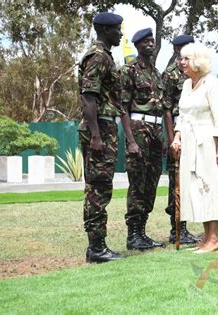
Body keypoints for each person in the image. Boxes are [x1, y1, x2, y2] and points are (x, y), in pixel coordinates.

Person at [78, 12, 140, 263]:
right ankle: (96, 248)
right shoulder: (98, 56)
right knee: (97, 189)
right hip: (99, 128)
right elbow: (88, 97)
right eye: (117, 29)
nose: (121, 33)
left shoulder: (105, 55)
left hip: (106, 127)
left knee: (102, 187)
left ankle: (98, 245)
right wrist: (95, 135)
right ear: (104, 29)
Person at [170, 43, 218, 253]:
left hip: (208, 142)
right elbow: (183, 115)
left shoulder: (212, 83)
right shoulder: (185, 85)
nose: (182, 62)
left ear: (197, 61)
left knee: (210, 187)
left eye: (186, 58)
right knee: (196, 190)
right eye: (182, 58)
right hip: (189, 143)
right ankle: (205, 238)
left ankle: (214, 238)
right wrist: (177, 135)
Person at [120, 28, 168, 251]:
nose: (150, 45)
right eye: (146, 42)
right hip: (139, 130)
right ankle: (133, 235)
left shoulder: (157, 73)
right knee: (137, 183)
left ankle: (142, 231)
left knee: (151, 183)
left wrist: (166, 137)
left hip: (157, 133)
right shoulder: (129, 70)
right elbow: (123, 107)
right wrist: (130, 140)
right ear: (138, 46)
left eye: (152, 42)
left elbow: (164, 108)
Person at [162, 34, 199, 244]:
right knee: (176, 180)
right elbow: (167, 109)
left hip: (194, 130)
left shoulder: (194, 73)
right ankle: (176, 229)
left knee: (189, 180)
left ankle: (184, 226)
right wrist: (171, 139)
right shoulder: (171, 75)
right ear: (177, 50)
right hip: (178, 130)